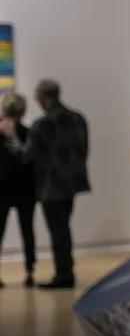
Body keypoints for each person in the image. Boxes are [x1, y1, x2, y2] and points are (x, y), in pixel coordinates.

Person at [0, 79, 89, 289]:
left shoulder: (43, 124)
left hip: (51, 186)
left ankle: (64, 275)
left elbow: (24, 154)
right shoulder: (78, 118)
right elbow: (83, 150)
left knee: (57, 231)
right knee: (63, 230)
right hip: (72, 184)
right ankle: (65, 271)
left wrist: (9, 135)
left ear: (41, 98)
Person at [0, 92, 37, 288]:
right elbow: (29, 161)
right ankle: (30, 271)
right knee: (27, 231)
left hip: (3, 189)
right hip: (26, 190)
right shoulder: (29, 133)